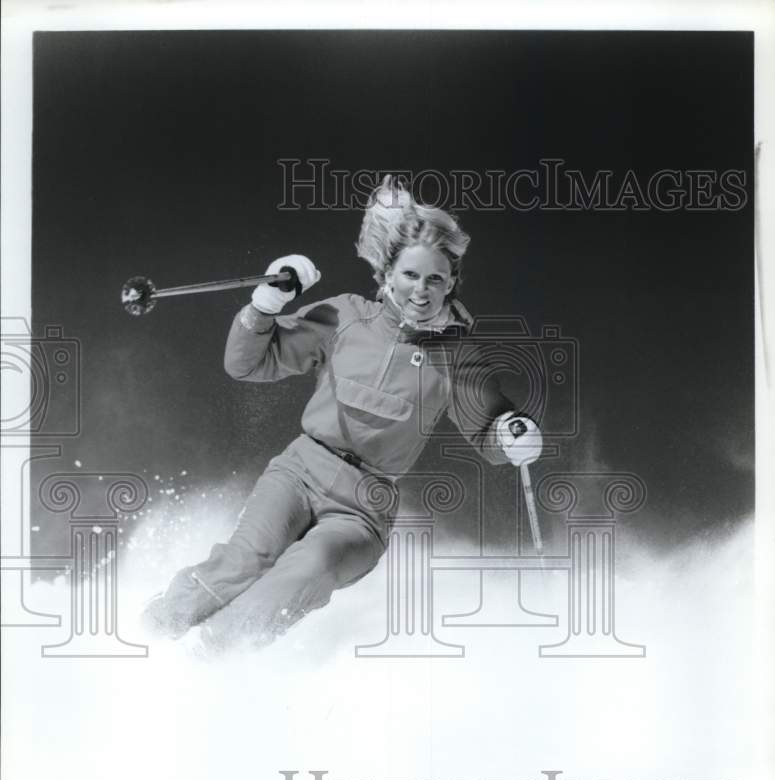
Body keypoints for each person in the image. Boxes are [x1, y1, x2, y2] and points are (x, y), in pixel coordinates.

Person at [141, 177, 543, 654]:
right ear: (388, 274)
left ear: (452, 282)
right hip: (301, 470)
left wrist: (512, 433)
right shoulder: (346, 317)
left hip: (363, 507)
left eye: (435, 278)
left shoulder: (456, 355)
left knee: (312, 566)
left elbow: (489, 427)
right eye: (411, 275)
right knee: (247, 559)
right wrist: (265, 304)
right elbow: (247, 362)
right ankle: (151, 630)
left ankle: (212, 657)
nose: (422, 290)